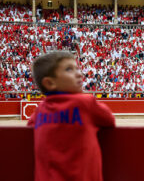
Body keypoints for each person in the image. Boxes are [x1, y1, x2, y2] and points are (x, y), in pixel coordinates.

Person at [27, 51, 115, 181]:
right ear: (50, 83)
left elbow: (30, 127)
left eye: (77, 68)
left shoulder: (40, 110)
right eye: (69, 69)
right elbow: (109, 120)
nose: (79, 74)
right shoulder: (85, 103)